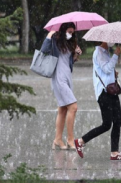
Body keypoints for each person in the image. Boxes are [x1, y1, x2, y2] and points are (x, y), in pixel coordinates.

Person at [74, 42, 121, 161]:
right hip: (104, 94)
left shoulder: (106, 52)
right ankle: (80, 141)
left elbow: (106, 71)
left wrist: (114, 72)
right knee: (107, 124)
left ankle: (114, 152)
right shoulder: (98, 52)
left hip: (112, 91)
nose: (112, 42)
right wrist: (115, 55)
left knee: (118, 121)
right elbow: (107, 69)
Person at [40, 22, 82, 150]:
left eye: (72, 32)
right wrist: (49, 36)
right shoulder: (55, 41)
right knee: (73, 107)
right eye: (69, 31)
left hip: (67, 77)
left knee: (63, 109)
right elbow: (43, 51)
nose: (71, 34)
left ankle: (57, 139)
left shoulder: (70, 44)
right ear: (63, 31)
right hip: (59, 78)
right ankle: (70, 139)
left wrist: (76, 54)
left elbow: (68, 62)